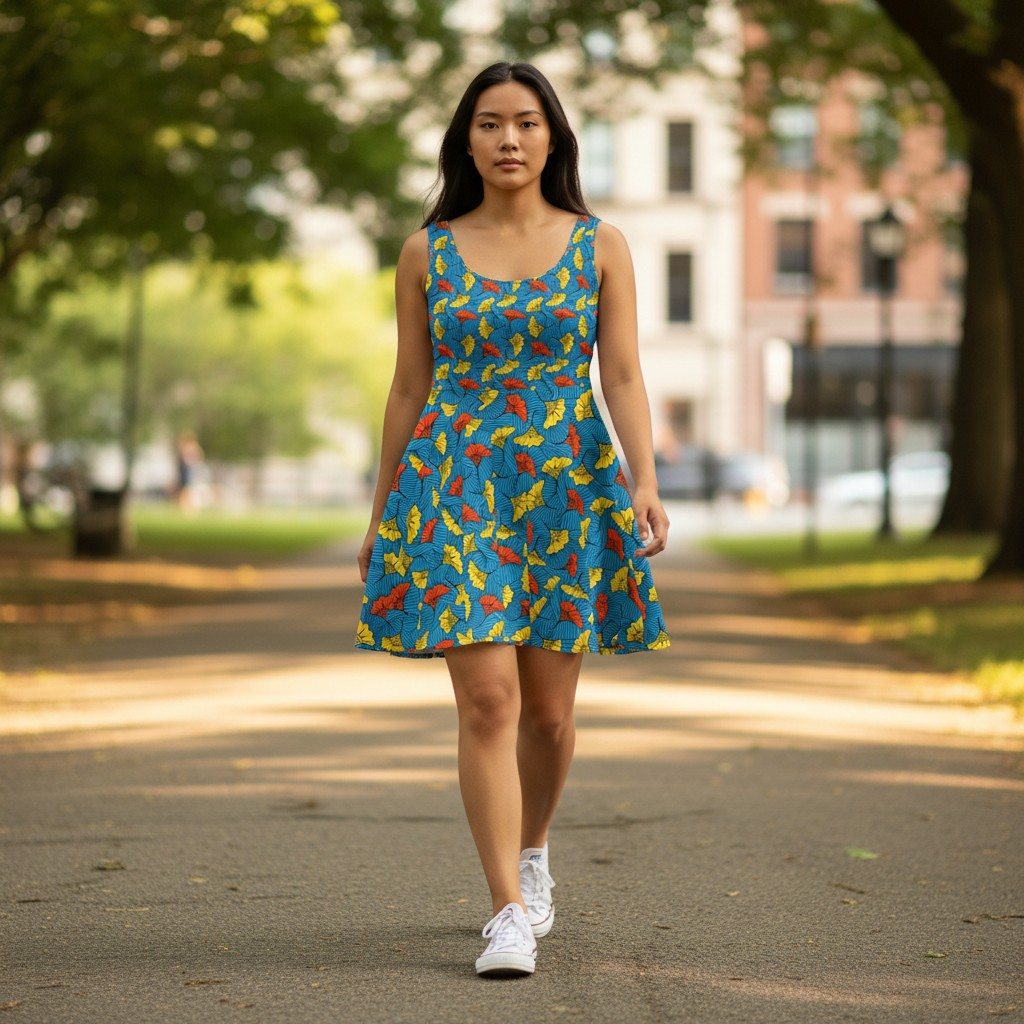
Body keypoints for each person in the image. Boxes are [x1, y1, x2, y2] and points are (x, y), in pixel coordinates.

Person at [355, 61, 670, 978]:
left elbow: (621, 375)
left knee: (550, 716)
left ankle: (534, 852)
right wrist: (382, 518)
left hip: (567, 485)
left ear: (553, 138)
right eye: (489, 124)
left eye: (526, 124)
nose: (507, 140)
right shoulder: (427, 251)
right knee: (487, 700)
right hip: (454, 486)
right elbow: (409, 386)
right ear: (465, 141)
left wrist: (644, 479)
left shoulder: (600, 244)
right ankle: (504, 912)